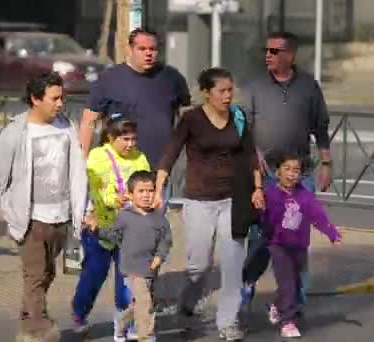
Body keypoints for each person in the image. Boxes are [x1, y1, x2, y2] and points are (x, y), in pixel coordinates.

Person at [0, 72, 89, 340]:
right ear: (36, 99)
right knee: (34, 276)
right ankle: (40, 328)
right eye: (54, 98)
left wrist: (85, 209)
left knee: (47, 274)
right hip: (30, 219)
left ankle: (27, 324)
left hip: (62, 217)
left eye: (62, 97)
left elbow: (77, 172)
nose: (60, 103)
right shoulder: (15, 132)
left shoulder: (66, 127)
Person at [153, 67, 263, 341]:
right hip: (199, 200)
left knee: (232, 264)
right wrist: (158, 188)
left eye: (230, 90)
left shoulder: (238, 116)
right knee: (199, 265)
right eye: (221, 91)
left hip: (233, 200)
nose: (227, 96)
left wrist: (258, 188)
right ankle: (188, 300)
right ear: (206, 93)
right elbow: (170, 153)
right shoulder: (191, 119)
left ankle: (227, 322)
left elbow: (250, 155)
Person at [240, 31, 332, 307]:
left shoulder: (308, 86)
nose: (268, 55)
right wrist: (255, 162)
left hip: (300, 174)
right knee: (262, 235)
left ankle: (294, 293)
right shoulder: (254, 86)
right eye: (266, 50)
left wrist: (326, 163)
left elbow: (321, 128)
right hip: (265, 175)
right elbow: (244, 129)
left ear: (290, 55)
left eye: (275, 51)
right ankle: (248, 278)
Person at [78, 28, 190, 206]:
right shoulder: (109, 79)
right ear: (130, 49)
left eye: (152, 49)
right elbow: (88, 122)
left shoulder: (171, 78)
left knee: (154, 226)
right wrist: (81, 161)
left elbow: (187, 119)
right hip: (120, 170)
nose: (148, 54)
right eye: (142, 49)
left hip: (159, 169)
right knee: (122, 227)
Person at [71, 114, 151, 341]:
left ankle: (125, 322)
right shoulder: (97, 157)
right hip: (99, 228)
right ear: (110, 137)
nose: (131, 144)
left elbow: (146, 182)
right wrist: (98, 207)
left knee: (128, 280)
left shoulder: (140, 157)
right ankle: (80, 312)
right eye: (125, 139)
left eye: (134, 139)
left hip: (130, 230)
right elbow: (91, 187)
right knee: (94, 275)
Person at [261, 152, 341, 338]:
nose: (291, 174)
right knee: (287, 281)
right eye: (287, 169)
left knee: (295, 282)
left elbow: (317, 215)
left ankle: (277, 306)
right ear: (277, 172)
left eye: (296, 170)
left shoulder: (304, 195)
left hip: (299, 246)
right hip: (279, 245)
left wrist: (332, 233)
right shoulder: (271, 194)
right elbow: (264, 218)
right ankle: (288, 321)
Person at [86, 170, 172, 342]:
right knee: (145, 303)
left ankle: (122, 321)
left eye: (150, 191)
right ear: (131, 195)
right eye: (141, 191)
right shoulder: (125, 217)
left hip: (151, 268)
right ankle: (146, 336)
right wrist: (96, 229)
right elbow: (112, 236)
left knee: (141, 303)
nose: (146, 195)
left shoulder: (159, 218)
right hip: (132, 269)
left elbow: (166, 239)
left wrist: (160, 256)